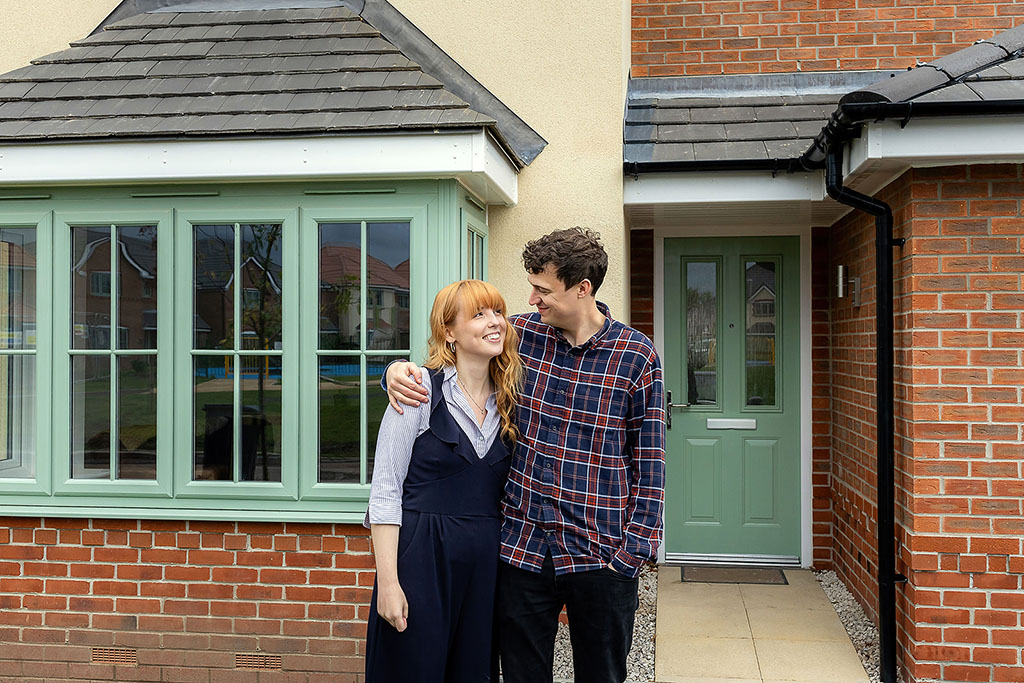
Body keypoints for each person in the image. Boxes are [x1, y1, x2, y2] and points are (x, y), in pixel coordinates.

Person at [386, 228, 665, 683]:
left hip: (601, 555)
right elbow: (454, 353)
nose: (531, 298)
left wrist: (632, 553)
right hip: (522, 552)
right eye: (531, 286)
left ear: (582, 289)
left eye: (543, 289)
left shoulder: (636, 356)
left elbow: (650, 463)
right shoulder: (521, 337)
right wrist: (395, 372)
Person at [364, 279, 524, 682]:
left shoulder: (512, 401)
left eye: (498, 312)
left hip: (486, 569)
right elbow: (384, 492)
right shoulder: (417, 391)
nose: (495, 322)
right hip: (420, 562)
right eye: (479, 314)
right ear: (448, 332)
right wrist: (388, 583)